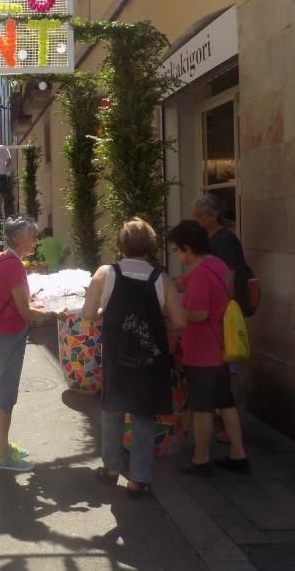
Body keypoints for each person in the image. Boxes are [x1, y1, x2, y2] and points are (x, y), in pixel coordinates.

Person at [80, 218, 186, 498]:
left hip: (117, 355)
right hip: (151, 359)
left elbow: (88, 314)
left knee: (112, 411)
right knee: (143, 416)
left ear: (121, 244)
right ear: (151, 246)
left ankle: (111, 469)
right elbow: (180, 321)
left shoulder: (106, 273)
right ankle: (138, 480)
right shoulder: (161, 279)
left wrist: (106, 312)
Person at [167, 219, 250, 475]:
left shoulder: (202, 274)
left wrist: (171, 314)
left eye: (178, 250)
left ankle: (200, 459)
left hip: (203, 350)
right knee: (225, 402)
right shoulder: (217, 265)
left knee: (202, 408)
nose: (178, 255)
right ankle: (238, 454)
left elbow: (199, 313)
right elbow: (182, 282)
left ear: (187, 248)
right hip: (221, 346)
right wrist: (166, 283)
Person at [0, 216, 54, 472]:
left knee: (2, 389)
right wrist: (54, 313)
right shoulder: (13, 265)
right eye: (33, 236)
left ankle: (3, 445)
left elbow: (13, 298)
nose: (36, 241)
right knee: (5, 394)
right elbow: (24, 311)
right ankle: (2, 455)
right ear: (18, 238)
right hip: (9, 336)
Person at [193, 193, 250, 441]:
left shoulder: (225, 240)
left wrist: (219, 308)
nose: (197, 220)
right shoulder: (212, 238)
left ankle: (231, 422)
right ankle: (224, 416)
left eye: (200, 216)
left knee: (229, 370)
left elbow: (228, 278)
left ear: (213, 215)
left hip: (225, 315)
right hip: (220, 313)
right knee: (223, 369)